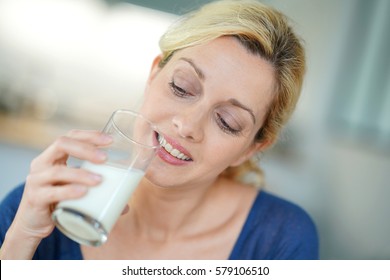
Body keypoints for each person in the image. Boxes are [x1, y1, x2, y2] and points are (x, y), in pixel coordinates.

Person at [0, 0, 318, 259]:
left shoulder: (281, 240)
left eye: (228, 122)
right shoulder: (34, 208)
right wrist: (22, 239)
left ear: (251, 149)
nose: (188, 125)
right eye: (182, 87)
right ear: (154, 75)